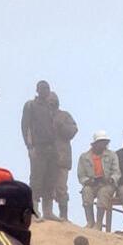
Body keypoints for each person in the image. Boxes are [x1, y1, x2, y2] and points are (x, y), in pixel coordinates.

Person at [21, 81, 59, 219]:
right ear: (37, 90)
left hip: (51, 148)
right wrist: (30, 146)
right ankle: (33, 211)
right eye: (43, 88)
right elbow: (25, 127)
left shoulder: (50, 107)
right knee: (36, 179)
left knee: (50, 179)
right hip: (38, 147)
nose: (46, 90)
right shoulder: (31, 105)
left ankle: (48, 212)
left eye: (47, 88)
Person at [76, 131, 120, 229]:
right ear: (94, 144)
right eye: (100, 142)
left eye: (104, 142)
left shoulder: (112, 155)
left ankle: (99, 223)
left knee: (103, 193)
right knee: (86, 191)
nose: (102, 145)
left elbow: (117, 172)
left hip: (107, 184)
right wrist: (88, 181)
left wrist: (111, 179)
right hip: (92, 184)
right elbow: (81, 175)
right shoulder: (84, 157)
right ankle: (90, 222)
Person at [48, 92, 78, 223]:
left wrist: (61, 125)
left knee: (61, 188)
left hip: (61, 157)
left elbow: (73, 130)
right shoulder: (42, 114)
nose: (51, 103)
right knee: (45, 186)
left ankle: (64, 216)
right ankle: (46, 213)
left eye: (53, 100)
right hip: (45, 157)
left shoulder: (64, 116)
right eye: (49, 101)